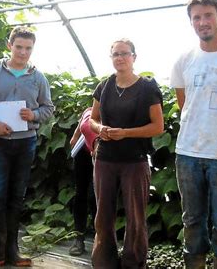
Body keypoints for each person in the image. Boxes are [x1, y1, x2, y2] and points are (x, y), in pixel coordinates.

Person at [0, 26, 54, 268]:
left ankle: (12, 250)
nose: (23, 52)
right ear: (10, 46)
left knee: (16, 197)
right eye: (19, 47)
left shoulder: (39, 78)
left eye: (28, 48)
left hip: (25, 143)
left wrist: (34, 114)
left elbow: (47, 109)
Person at [170, 0, 217, 268]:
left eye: (208, 15)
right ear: (191, 23)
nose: (203, 22)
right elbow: (184, 104)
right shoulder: (184, 60)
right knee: (192, 221)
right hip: (188, 153)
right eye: (196, 17)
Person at [89, 38, 164, 268]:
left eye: (125, 53)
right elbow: (92, 119)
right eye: (115, 54)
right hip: (105, 159)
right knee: (103, 216)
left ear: (134, 57)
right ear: (111, 58)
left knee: (136, 217)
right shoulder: (104, 86)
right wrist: (100, 129)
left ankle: (134, 263)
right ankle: (104, 262)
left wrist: (126, 133)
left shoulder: (148, 87)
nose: (120, 58)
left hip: (135, 160)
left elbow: (157, 126)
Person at [67, 107, 97, 256]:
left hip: (104, 153)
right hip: (84, 151)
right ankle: (78, 238)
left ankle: (100, 240)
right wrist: (75, 135)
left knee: (96, 196)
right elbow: (86, 115)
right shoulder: (95, 104)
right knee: (81, 194)